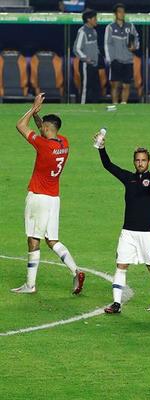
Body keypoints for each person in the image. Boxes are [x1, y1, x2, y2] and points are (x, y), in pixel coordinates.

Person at [11, 94, 85, 295]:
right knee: (52, 240)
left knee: (33, 239)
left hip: (39, 197)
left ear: (46, 129)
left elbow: (20, 125)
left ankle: (30, 285)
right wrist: (40, 118)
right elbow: (44, 130)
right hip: (54, 199)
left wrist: (33, 109)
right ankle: (75, 270)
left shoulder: (43, 146)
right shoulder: (63, 142)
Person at [97, 135, 150, 314]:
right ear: (134, 161)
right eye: (138, 160)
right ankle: (116, 304)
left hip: (148, 233)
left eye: (143, 160)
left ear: (149, 162)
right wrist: (101, 148)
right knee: (121, 265)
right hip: (128, 232)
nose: (140, 163)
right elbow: (108, 165)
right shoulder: (128, 178)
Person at [104, 3, 139, 105]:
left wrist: (134, 46)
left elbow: (136, 38)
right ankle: (115, 104)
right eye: (119, 12)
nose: (122, 14)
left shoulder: (130, 26)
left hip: (128, 60)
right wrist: (110, 60)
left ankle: (124, 104)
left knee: (126, 85)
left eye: (123, 12)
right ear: (115, 14)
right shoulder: (110, 27)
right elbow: (107, 44)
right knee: (115, 85)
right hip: (116, 60)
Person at [73, 9, 100, 104]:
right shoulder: (82, 31)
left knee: (96, 87)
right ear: (89, 19)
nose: (97, 20)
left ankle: (95, 106)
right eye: (95, 18)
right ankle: (82, 105)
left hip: (94, 64)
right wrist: (85, 58)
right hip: (85, 65)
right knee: (85, 87)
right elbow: (76, 49)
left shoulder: (94, 31)